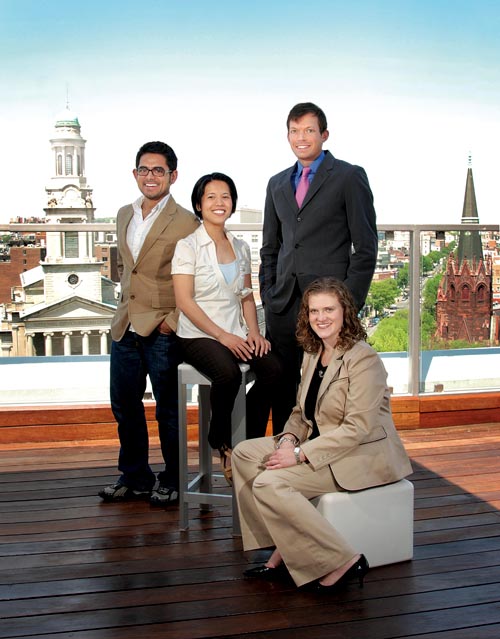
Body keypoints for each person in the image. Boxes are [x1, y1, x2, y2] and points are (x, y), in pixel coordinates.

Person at [232, 277, 412, 591]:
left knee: (269, 482)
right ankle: (287, 547)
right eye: (314, 311)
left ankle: (342, 559)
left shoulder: (364, 359)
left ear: (345, 312)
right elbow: (303, 413)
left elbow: (357, 428)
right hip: (323, 445)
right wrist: (288, 440)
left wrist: (299, 454)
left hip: (359, 456)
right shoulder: (314, 354)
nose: (321, 317)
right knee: (244, 454)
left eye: (329, 309)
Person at [259, 102, 378, 433]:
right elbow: (270, 248)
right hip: (283, 304)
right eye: (295, 131)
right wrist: (268, 295)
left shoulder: (348, 176)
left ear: (324, 135)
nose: (302, 137)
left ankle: (321, 459)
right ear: (287, 136)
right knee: (282, 386)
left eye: (309, 130)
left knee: (327, 389)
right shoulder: (277, 183)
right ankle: (284, 455)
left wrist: (347, 303)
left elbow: (366, 248)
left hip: (327, 307)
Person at [99, 141, 199, 505]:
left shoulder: (187, 221)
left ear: (173, 175)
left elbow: (195, 276)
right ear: (134, 174)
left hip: (162, 327)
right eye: (144, 169)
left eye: (158, 170)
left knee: (168, 410)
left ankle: (173, 479)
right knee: (124, 404)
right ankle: (135, 476)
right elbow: (129, 268)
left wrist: (172, 321)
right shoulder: (125, 213)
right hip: (125, 323)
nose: (150, 176)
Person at [172, 173, 282, 484]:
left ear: (232, 204)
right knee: (228, 374)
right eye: (211, 197)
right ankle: (221, 441)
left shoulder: (241, 247)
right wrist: (223, 336)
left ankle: (248, 442)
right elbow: (184, 301)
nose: (219, 203)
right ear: (198, 204)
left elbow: (246, 296)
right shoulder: (188, 246)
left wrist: (255, 333)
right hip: (197, 334)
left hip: (235, 331)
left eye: (226, 197)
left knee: (273, 369)